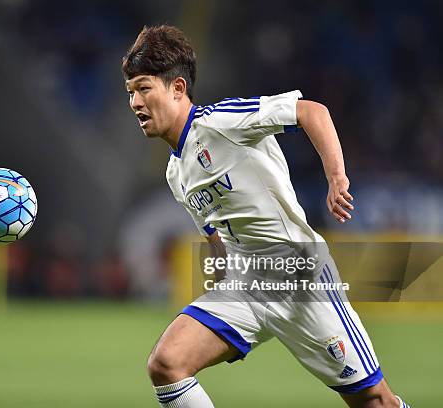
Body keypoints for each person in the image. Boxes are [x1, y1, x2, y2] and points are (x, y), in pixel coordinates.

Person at [122, 25, 410, 408]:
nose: (136, 102)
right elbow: (215, 235)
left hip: (298, 278)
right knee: (166, 364)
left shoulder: (223, 123)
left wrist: (336, 176)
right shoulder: (176, 172)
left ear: (177, 88)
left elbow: (311, 111)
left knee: (374, 401)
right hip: (246, 284)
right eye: (130, 93)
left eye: (144, 88)